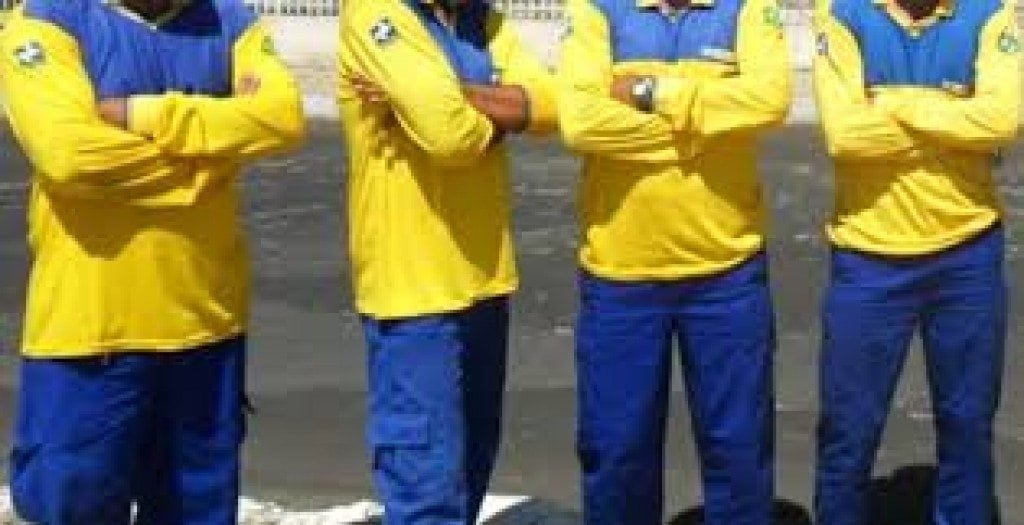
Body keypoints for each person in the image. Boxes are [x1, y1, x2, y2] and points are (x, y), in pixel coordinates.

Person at [0, 0, 305, 522]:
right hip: (90, 332)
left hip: (206, 328)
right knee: (72, 508)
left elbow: (281, 117)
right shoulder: (46, 22)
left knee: (197, 511)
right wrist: (212, 161)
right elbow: (70, 156)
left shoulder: (232, 24)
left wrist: (142, 114)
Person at [558, 0, 792, 522]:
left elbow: (770, 100)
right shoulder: (596, 10)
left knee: (739, 452)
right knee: (617, 453)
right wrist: (704, 129)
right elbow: (580, 122)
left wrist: (652, 94)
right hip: (621, 276)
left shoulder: (747, 9)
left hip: (727, 273)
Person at [337, 0, 557, 523]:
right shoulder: (374, 14)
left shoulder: (486, 22)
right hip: (411, 291)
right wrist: (501, 113)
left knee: (473, 462)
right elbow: (449, 136)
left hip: (483, 279)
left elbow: (551, 105)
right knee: (426, 485)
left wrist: (451, 93)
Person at [811, 0, 1020, 522]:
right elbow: (845, 134)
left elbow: (1001, 120)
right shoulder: (842, 14)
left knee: (968, 425)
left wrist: (894, 105)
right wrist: (952, 118)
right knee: (848, 430)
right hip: (869, 258)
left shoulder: (989, 14)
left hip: (967, 253)